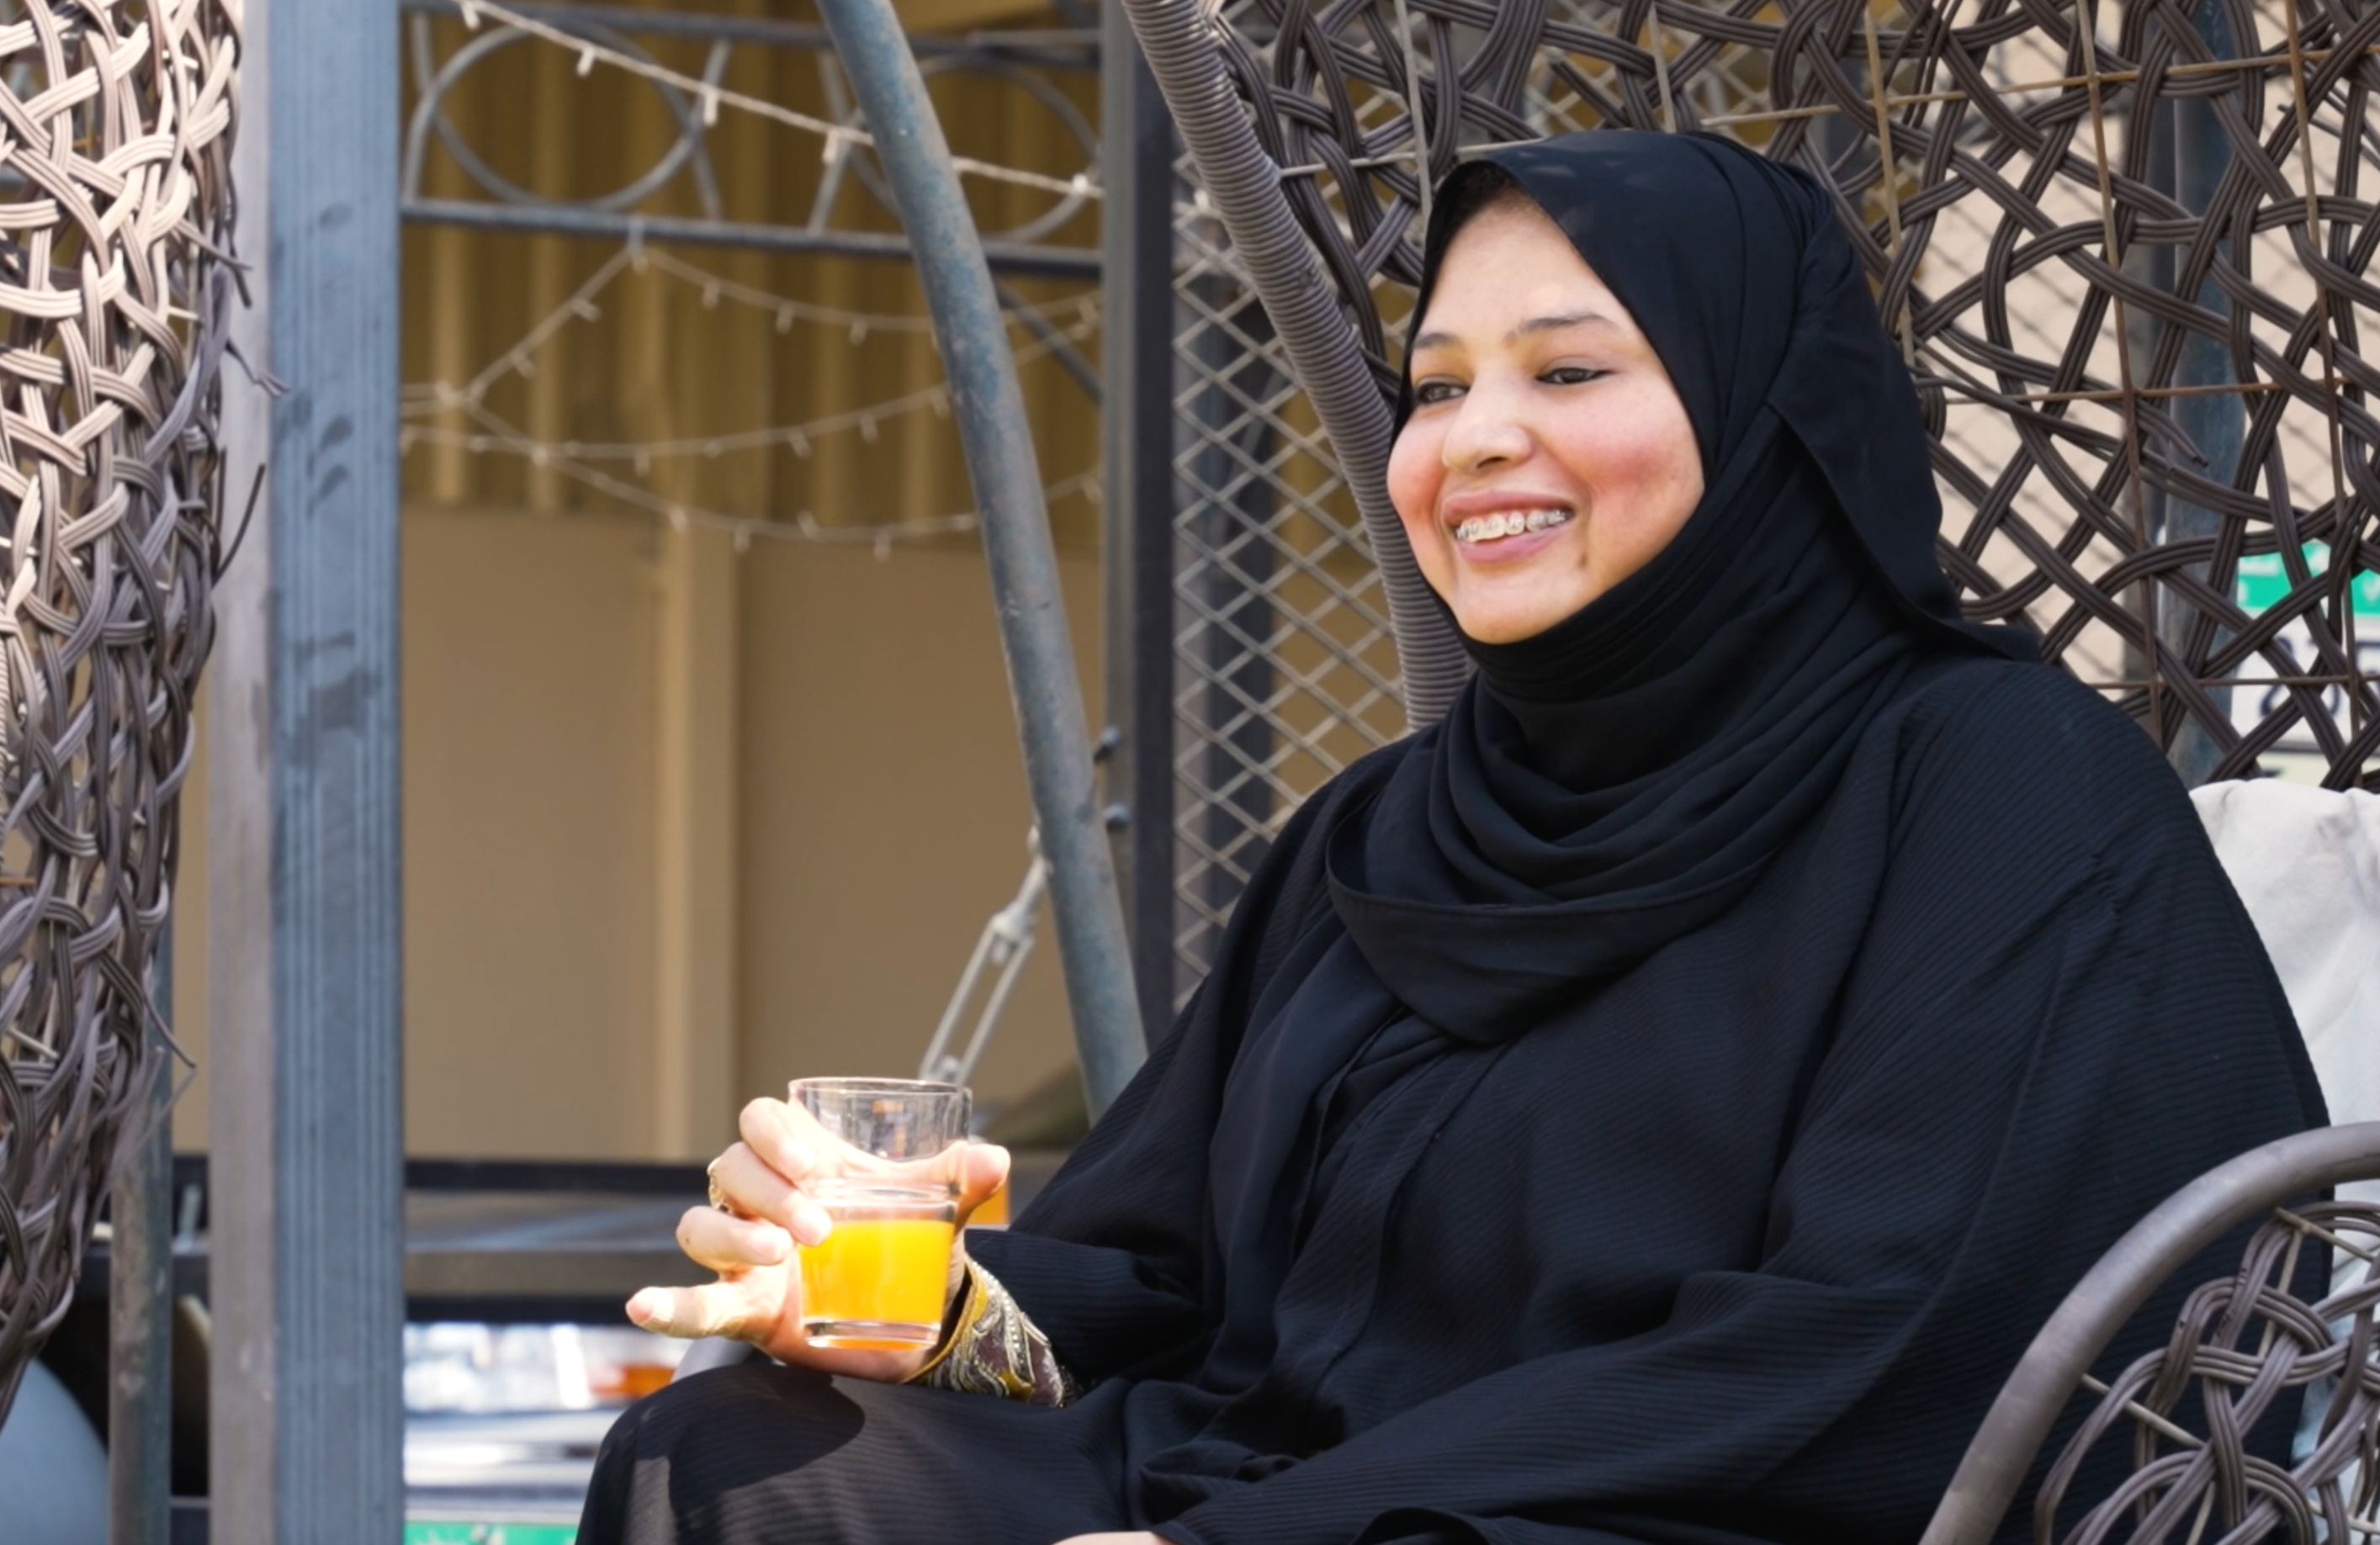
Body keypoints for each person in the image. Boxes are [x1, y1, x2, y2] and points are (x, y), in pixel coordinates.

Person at [578, 130, 2326, 1545]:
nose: (1476, 438)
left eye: (1568, 369)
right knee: (742, 1464)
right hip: (1282, 1485)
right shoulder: (1406, 822)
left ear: (1766, 415)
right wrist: (931, 1300)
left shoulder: (1993, 782)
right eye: (1434, 386)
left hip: (1686, 1515)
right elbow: (1177, 1288)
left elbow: (1894, 1336)